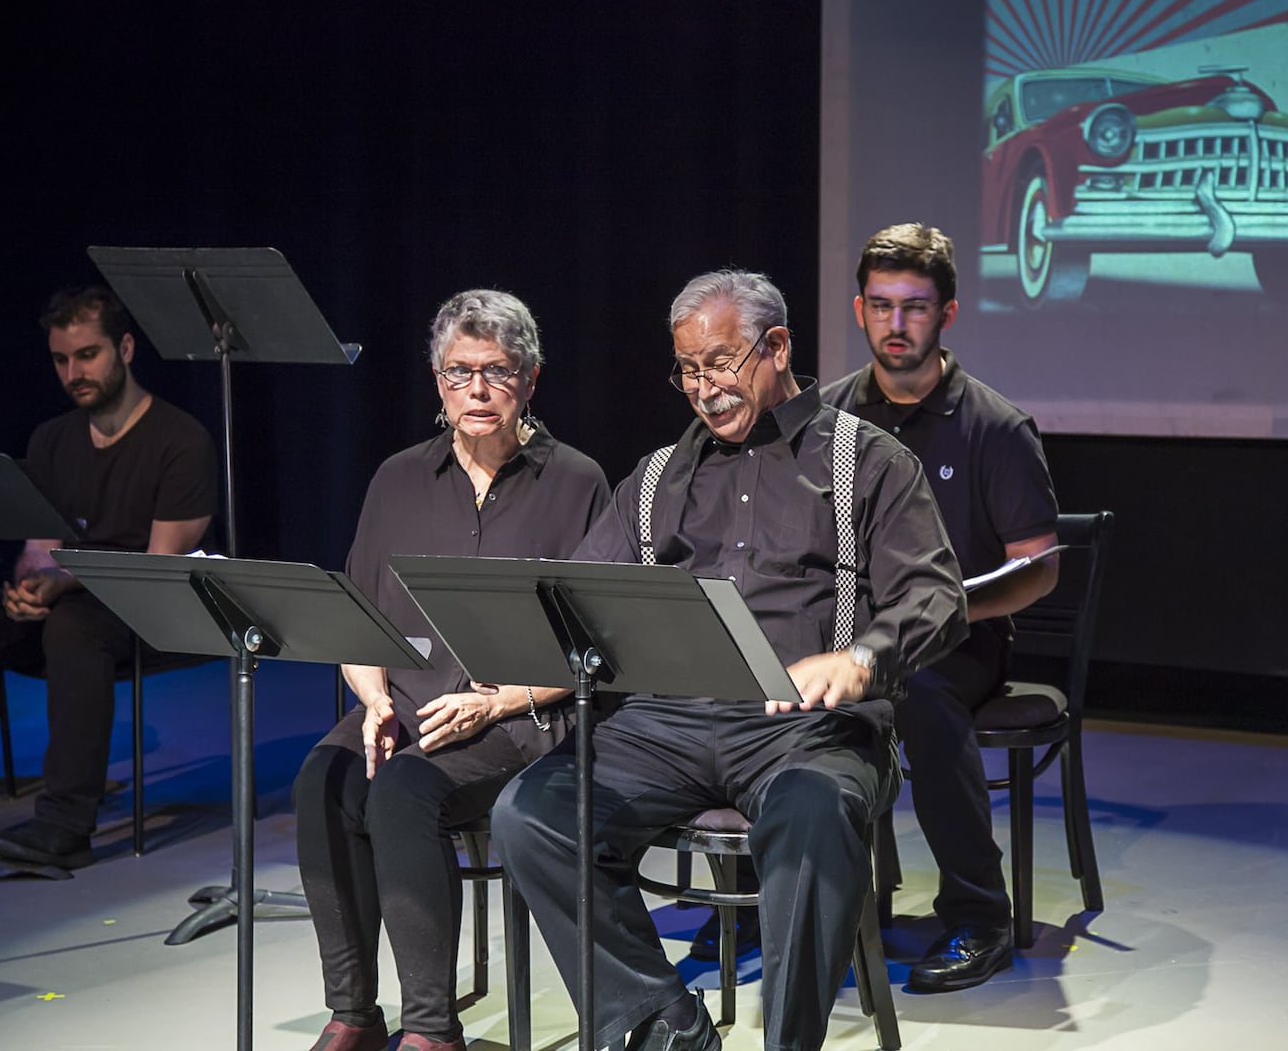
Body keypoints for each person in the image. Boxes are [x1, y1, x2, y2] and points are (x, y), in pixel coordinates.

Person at [492, 270, 968, 1051]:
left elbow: (937, 597)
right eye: (687, 369)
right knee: (532, 813)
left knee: (814, 814)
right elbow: (582, 601)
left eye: (720, 363)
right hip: (664, 725)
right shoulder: (652, 479)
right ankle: (669, 1031)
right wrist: (519, 656)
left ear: (777, 346)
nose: (703, 388)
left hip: (809, 728)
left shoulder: (868, 461)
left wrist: (862, 657)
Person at [293, 290, 610, 1051]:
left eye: (497, 371)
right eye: (459, 371)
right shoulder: (398, 478)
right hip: (405, 699)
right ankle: (355, 1015)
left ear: (530, 381)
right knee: (322, 783)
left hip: (522, 712)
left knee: (402, 790)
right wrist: (370, 699)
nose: (477, 389)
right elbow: (357, 622)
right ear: (437, 382)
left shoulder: (577, 481)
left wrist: (496, 703)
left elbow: (599, 649)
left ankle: (432, 1031)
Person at [820, 222, 1060, 991]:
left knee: (920, 697)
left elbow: (1037, 573)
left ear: (946, 315)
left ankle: (978, 917)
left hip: (958, 643)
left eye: (914, 307)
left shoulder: (994, 426)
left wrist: (944, 617)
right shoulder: (828, 419)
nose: (896, 324)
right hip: (847, 637)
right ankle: (807, 898)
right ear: (859, 310)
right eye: (881, 306)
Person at [0, 285, 217, 867]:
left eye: (88, 355)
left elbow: (157, 574)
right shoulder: (53, 439)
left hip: (149, 608)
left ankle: (65, 823)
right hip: (74, 597)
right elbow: (42, 547)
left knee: (74, 627)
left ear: (125, 348)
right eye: (61, 359)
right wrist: (29, 589)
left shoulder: (180, 440)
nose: (74, 372)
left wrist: (64, 585)